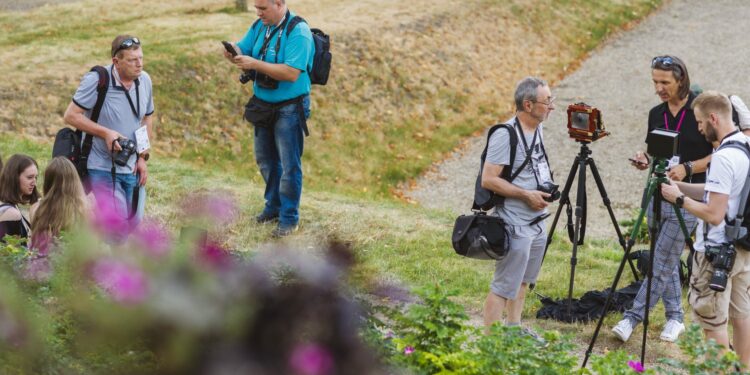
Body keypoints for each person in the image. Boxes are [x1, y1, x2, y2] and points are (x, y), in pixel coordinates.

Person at [613, 56, 711, 343]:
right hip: (656, 193)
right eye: (655, 81)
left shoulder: (700, 109)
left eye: (665, 82)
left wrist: (688, 168)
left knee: (662, 259)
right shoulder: (656, 113)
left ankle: (632, 318)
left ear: (681, 79)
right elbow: (654, 150)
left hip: (688, 196)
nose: (659, 88)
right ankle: (675, 317)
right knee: (664, 258)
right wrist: (645, 159)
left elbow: (722, 152)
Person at [660, 91, 750, 367]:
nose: (699, 129)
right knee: (742, 316)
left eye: (700, 122)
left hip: (716, 254)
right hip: (742, 251)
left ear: (713, 117)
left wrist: (679, 200)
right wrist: (682, 187)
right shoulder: (744, 146)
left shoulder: (722, 157)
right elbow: (721, 192)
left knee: (713, 323)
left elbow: (714, 212)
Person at [223, 0, 314, 237]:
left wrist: (254, 64)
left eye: (263, 8)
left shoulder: (299, 31)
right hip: (263, 105)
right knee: (265, 160)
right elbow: (244, 50)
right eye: (256, 7)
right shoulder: (259, 26)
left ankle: (289, 218)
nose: (258, 12)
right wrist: (234, 53)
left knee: (289, 166)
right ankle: (273, 208)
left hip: (290, 108)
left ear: (279, 3)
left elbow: (291, 73)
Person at [481, 77, 555, 330]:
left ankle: (514, 329)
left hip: (537, 220)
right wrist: (526, 195)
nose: (551, 106)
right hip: (514, 221)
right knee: (504, 285)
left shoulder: (538, 129)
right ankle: (490, 344)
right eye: (547, 101)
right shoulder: (505, 134)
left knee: (523, 281)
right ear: (528, 104)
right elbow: (489, 180)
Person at [62, 34, 154, 238]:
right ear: (116, 61)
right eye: (132, 60)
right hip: (100, 166)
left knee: (134, 221)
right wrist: (105, 133)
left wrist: (142, 156)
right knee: (117, 227)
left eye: (141, 58)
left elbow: (147, 118)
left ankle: (96, 239)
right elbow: (71, 115)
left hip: (131, 167)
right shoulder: (97, 80)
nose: (139, 64)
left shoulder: (144, 80)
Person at [29, 157, 89, 255]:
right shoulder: (84, 210)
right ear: (74, 180)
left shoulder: (36, 208)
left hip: (42, 265)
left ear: (47, 181)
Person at [0, 154, 39, 243]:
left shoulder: (12, 205)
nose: (34, 183)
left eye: (35, 177)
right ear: (14, 177)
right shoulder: (10, 213)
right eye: (29, 177)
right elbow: (10, 253)